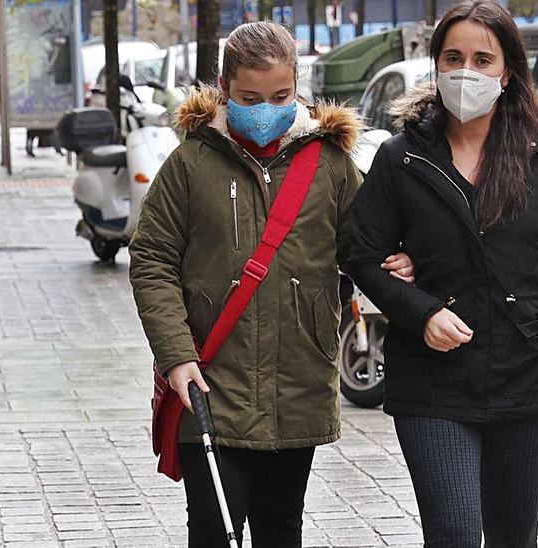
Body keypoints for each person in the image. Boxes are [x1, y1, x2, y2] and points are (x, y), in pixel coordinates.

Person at [341, 2, 538, 546]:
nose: (465, 71)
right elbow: (359, 253)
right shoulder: (401, 158)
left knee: (514, 536)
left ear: (508, 72)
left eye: (481, 58)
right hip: (434, 381)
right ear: (436, 65)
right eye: (452, 57)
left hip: (529, 372)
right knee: (453, 535)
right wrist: (420, 312)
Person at [129, 21, 413, 547]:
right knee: (214, 531)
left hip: (296, 384)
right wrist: (175, 355)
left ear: (297, 86)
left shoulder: (328, 165)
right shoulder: (191, 164)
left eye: (280, 95)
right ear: (223, 88)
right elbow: (151, 259)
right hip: (209, 381)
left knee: (281, 529)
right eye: (249, 97)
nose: (265, 108)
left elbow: (365, 246)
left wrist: (400, 264)